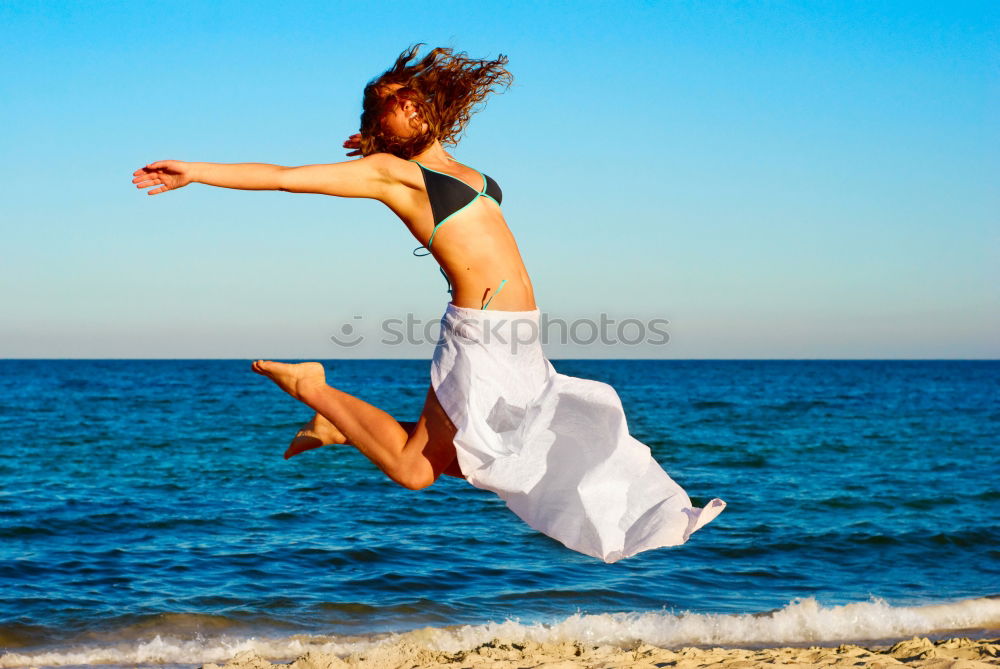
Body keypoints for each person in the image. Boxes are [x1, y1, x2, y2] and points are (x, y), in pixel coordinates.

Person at [132, 45, 725, 562]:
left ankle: (335, 428)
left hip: (520, 335)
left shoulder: (461, 171)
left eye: (409, 99)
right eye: (390, 105)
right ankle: (314, 388)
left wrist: (379, 142)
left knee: (470, 456)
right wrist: (197, 171)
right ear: (380, 123)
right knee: (418, 471)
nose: (404, 107)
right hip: (482, 335)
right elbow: (285, 176)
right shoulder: (391, 173)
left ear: (429, 105)